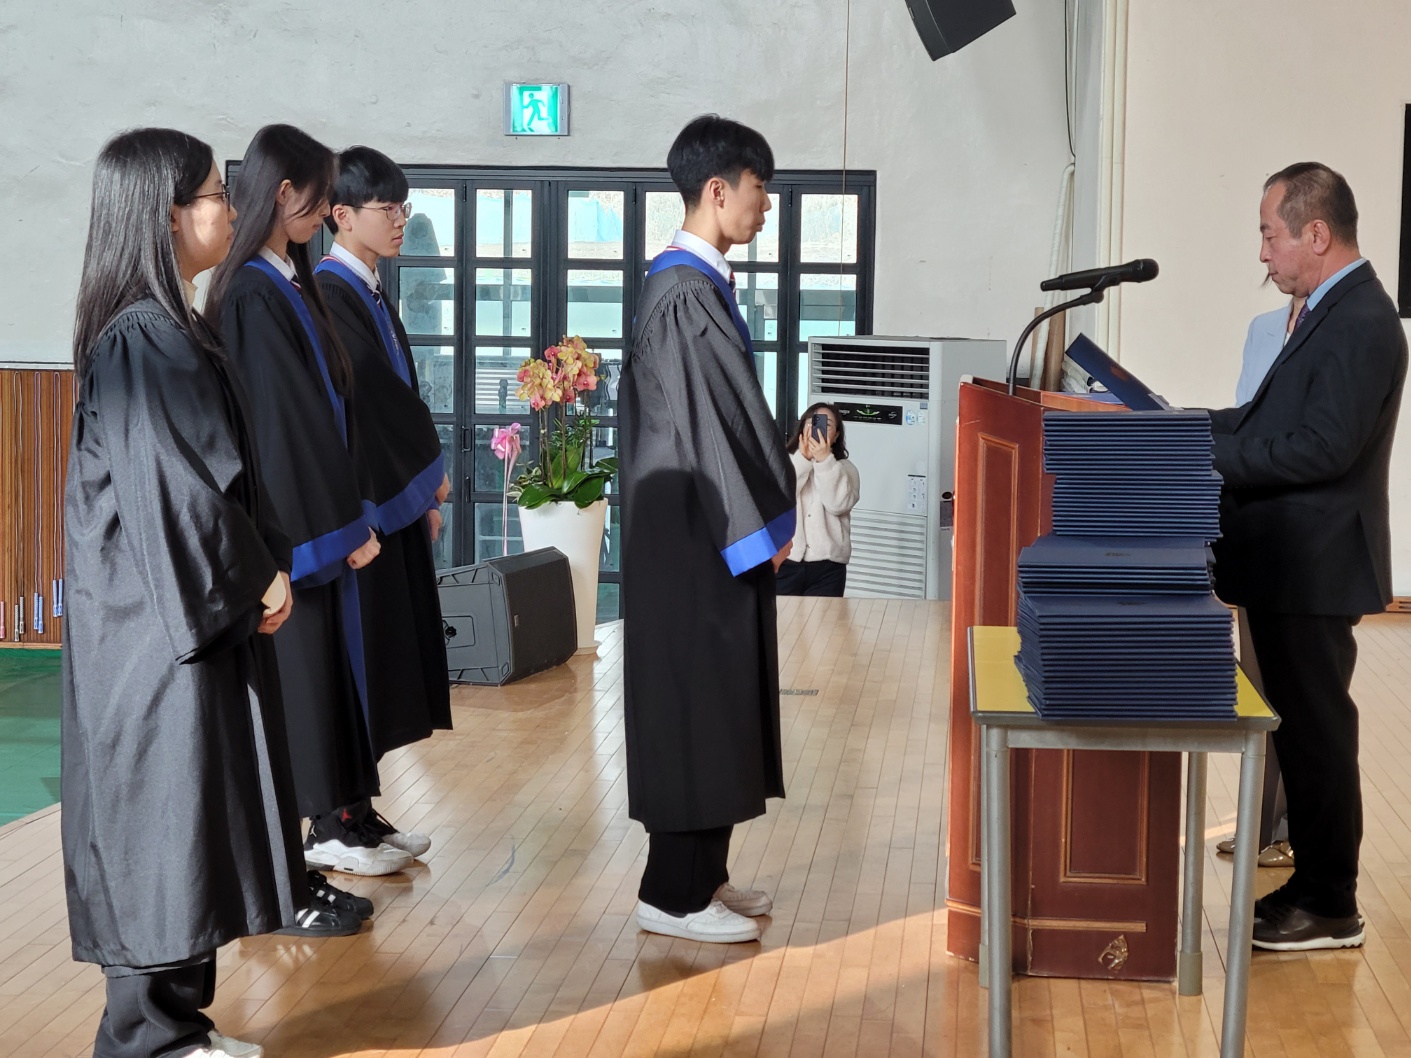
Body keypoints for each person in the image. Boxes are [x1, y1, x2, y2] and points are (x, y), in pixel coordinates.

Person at [62, 127, 309, 1058]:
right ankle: (145, 1040)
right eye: (216, 192)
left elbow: (221, 475)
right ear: (167, 215)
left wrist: (261, 566)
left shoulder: (174, 328)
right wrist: (256, 579)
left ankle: (178, 1027)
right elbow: (178, 489)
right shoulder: (141, 339)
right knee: (156, 820)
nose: (232, 209)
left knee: (190, 812)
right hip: (151, 630)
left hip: (179, 615)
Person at [207, 125, 412, 899]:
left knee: (337, 675)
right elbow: (283, 427)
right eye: (322, 196)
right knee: (309, 679)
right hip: (295, 527)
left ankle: (347, 814)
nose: (328, 210)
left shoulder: (287, 281)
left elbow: (332, 408)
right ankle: (324, 828)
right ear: (285, 192)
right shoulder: (253, 292)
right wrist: (336, 528)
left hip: (323, 514)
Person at [1210, 162, 1407, 951]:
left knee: (1318, 736)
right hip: (1290, 562)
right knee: (1299, 734)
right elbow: (1266, 421)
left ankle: (1330, 904)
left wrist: (1203, 455)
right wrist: (1183, 424)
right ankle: (1311, 886)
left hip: (1314, 565)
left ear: (1315, 234)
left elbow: (1321, 448)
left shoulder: (1360, 320)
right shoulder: (1326, 312)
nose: (1263, 253)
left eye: (1270, 235)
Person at [620, 114, 795, 944]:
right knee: (693, 704)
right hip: (694, 538)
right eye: (761, 187)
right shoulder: (683, 293)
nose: (767, 205)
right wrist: (764, 520)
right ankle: (672, 894)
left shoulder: (694, 285)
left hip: (703, 531)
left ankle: (707, 877)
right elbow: (718, 425)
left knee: (717, 701)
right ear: (717, 189)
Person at [315, 145, 452, 856]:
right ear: (341, 215)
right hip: (358, 511)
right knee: (354, 660)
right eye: (386, 208)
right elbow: (371, 402)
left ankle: (360, 812)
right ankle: (334, 821)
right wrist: (426, 473)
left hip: (384, 502)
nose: (400, 220)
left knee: (382, 658)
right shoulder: (330, 291)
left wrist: (419, 489)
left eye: (404, 207)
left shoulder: (365, 288)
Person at [777, 402, 860, 597]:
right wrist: (803, 459)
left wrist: (824, 461)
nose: (817, 429)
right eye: (812, 423)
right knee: (783, 616)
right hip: (786, 561)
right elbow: (780, 499)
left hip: (828, 568)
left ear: (836, 436)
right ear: (802, 428)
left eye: (826, 425)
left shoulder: (846, 469)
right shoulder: (784, 463)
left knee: (825, 617)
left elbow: (837, 505)